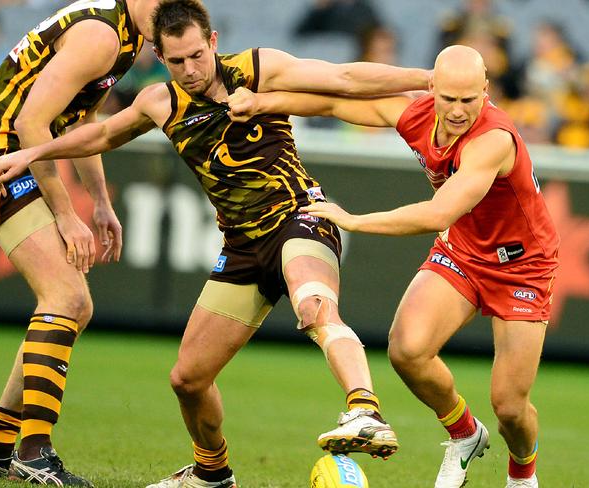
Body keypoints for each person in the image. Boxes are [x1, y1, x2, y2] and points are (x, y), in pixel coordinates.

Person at [0, 1, 433, 486]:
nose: (190, 70)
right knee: (188, 379)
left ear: (214, 41)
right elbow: (98, 133)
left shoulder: (256, 68)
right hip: (242, 246)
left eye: (197, 56)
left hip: (300, 218)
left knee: (314, 304)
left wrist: (430, 80)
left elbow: (344, 79)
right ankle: (212, 474)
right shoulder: (158, 99)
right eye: (176, 62)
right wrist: (35, 153)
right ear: (159, 54)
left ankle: (364, 409)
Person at [224, 45, 559, 488]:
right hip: (463, 251)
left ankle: (522, 475)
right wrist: (260, 102)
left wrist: (354, 220)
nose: (458, 112)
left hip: (522, 266)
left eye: (469, 100)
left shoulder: (493, 140)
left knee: (510, 407)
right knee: (406, 351)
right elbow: (334, 102)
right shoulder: (419, 113)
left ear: (486, 91)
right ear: (431, 88)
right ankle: (464, 434)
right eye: (448, 99)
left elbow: (439, 214)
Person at [0, 0, 164, 485]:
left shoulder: (123, 35)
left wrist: (100, 202)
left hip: (9, 156)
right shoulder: (101, 36)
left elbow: (80, 123)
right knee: (66, 297)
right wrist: (67, 215)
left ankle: (0, 444)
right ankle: (33, 449)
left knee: (71, 304)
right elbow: (30, 124)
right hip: (0, 157)